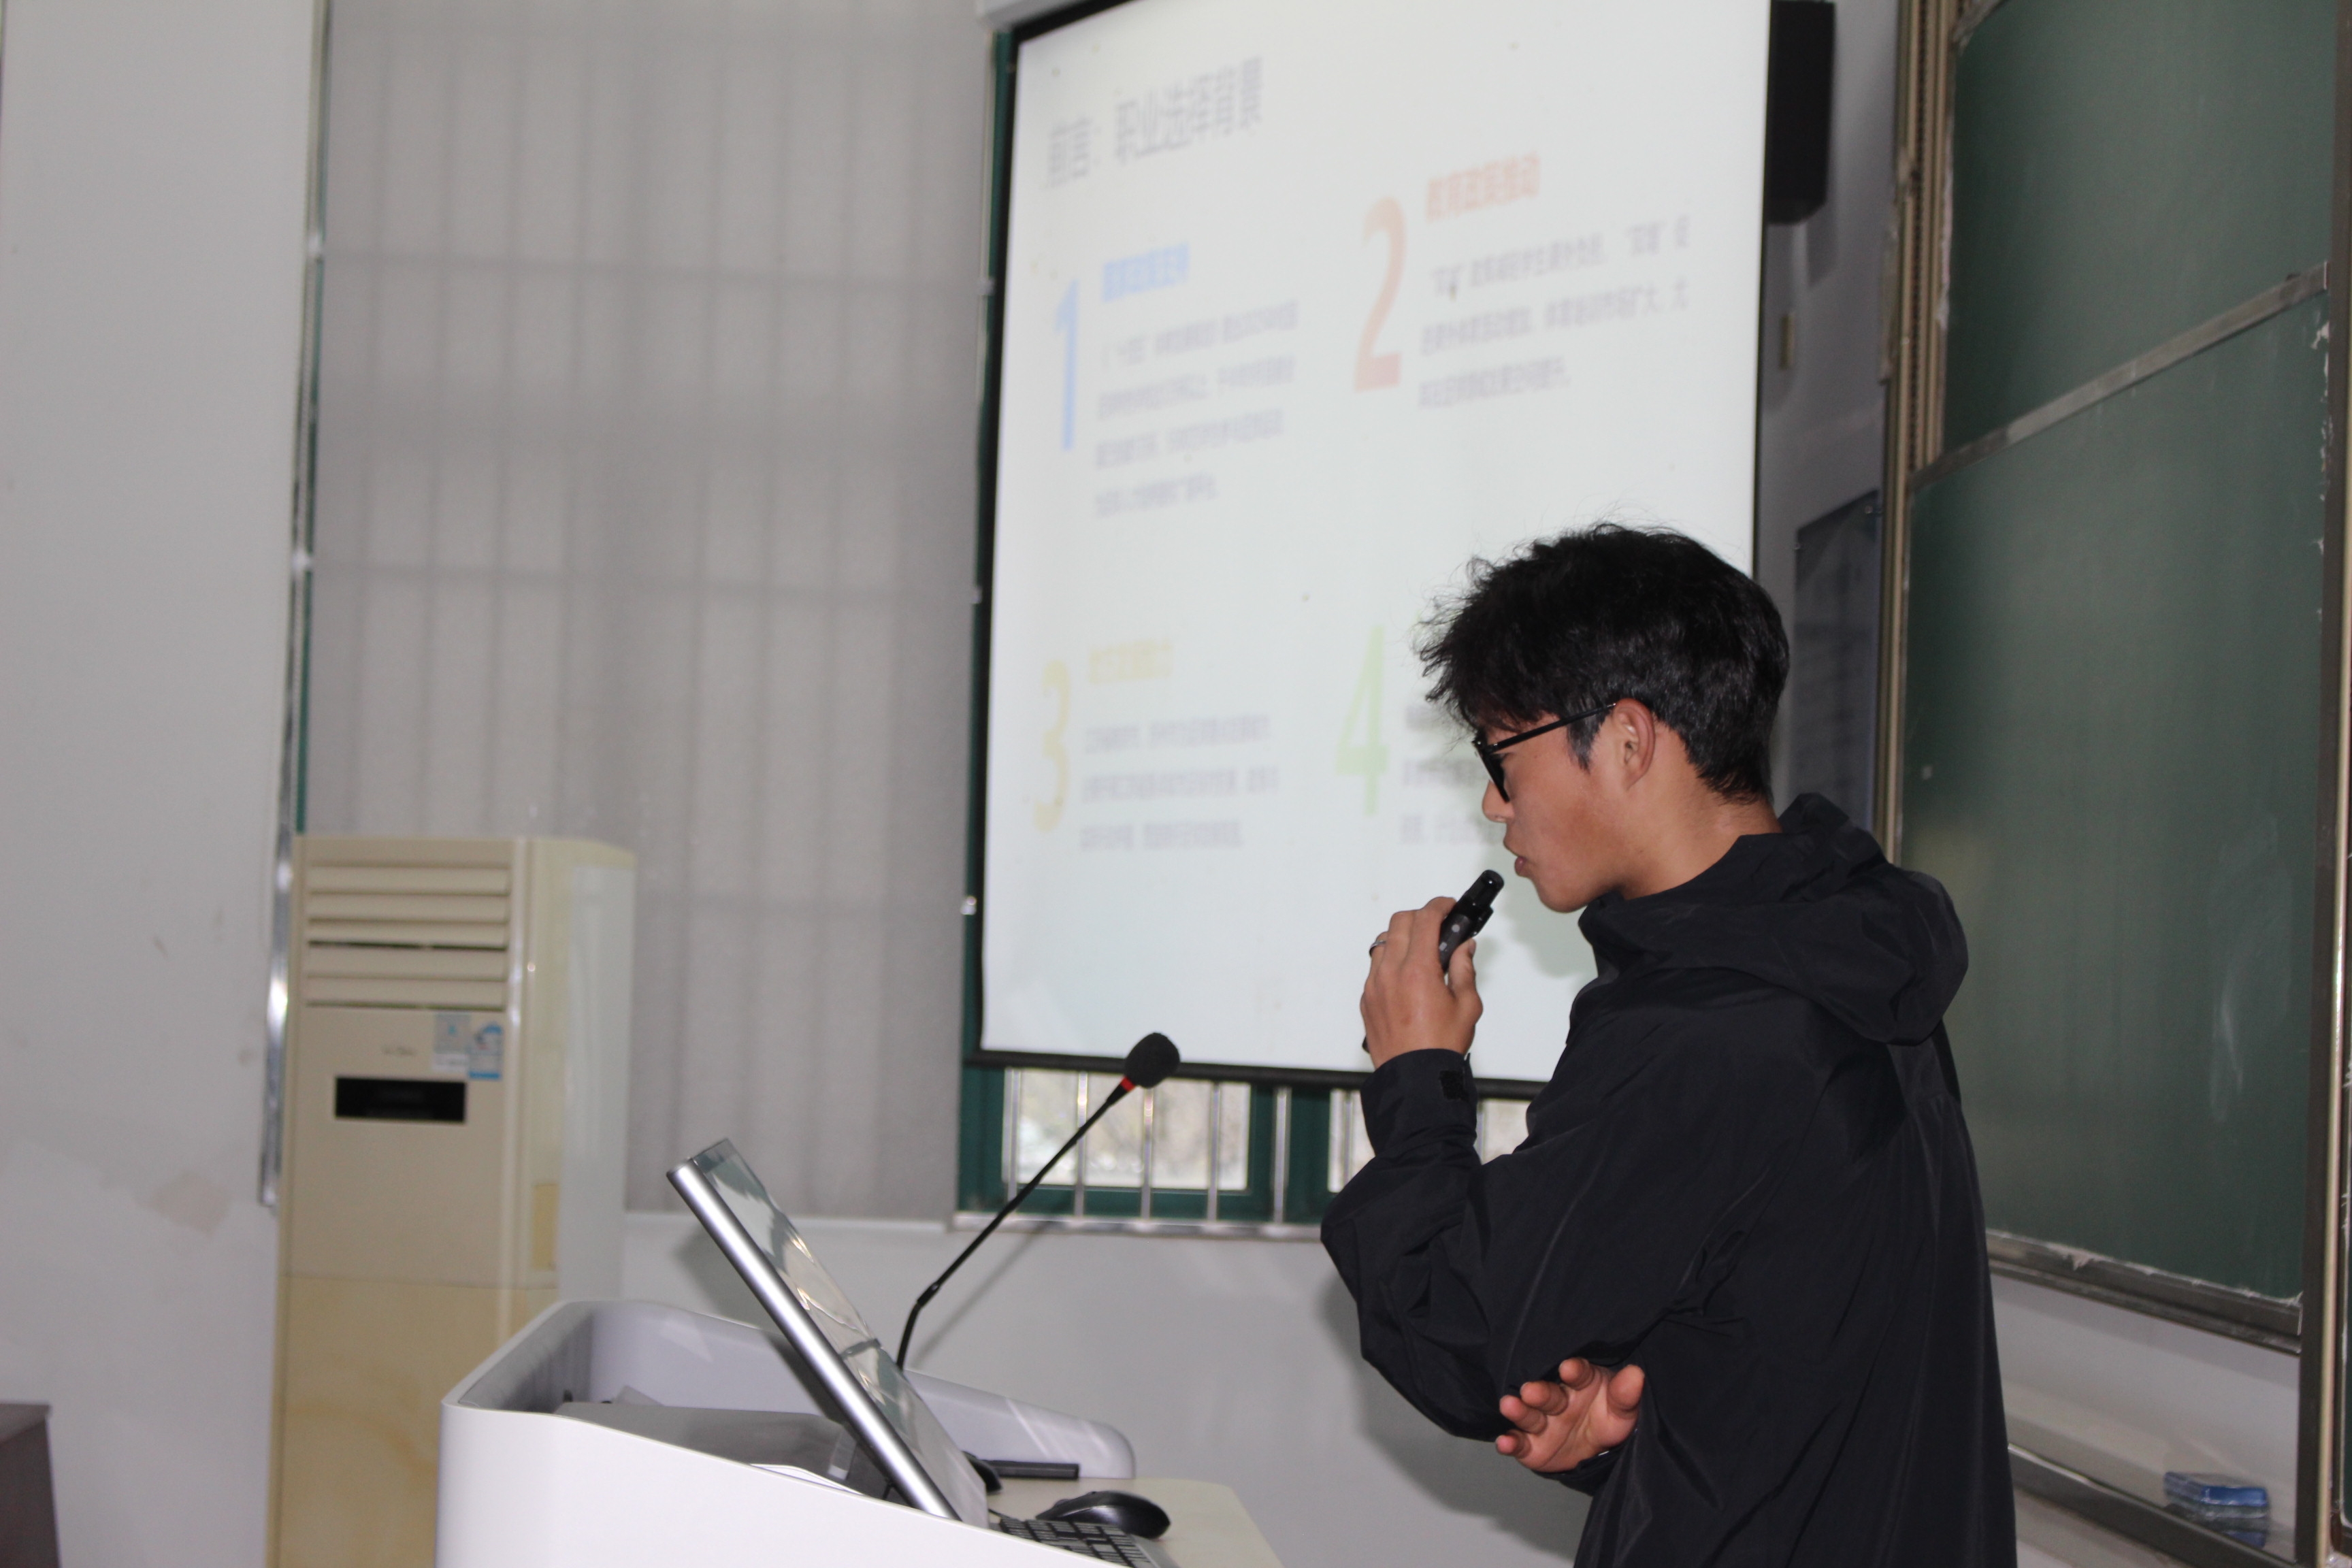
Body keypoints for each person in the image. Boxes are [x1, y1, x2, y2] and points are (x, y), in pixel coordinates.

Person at [1323, 525, 2012, 1566]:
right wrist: (1624, 1423)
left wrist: (1417, 1078)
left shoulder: (1710, 1029)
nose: (1494, 802)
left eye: (1502, 759)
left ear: (1629, 740)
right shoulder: (1847, 957)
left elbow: (1458, 1324)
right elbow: (1790, 1364)